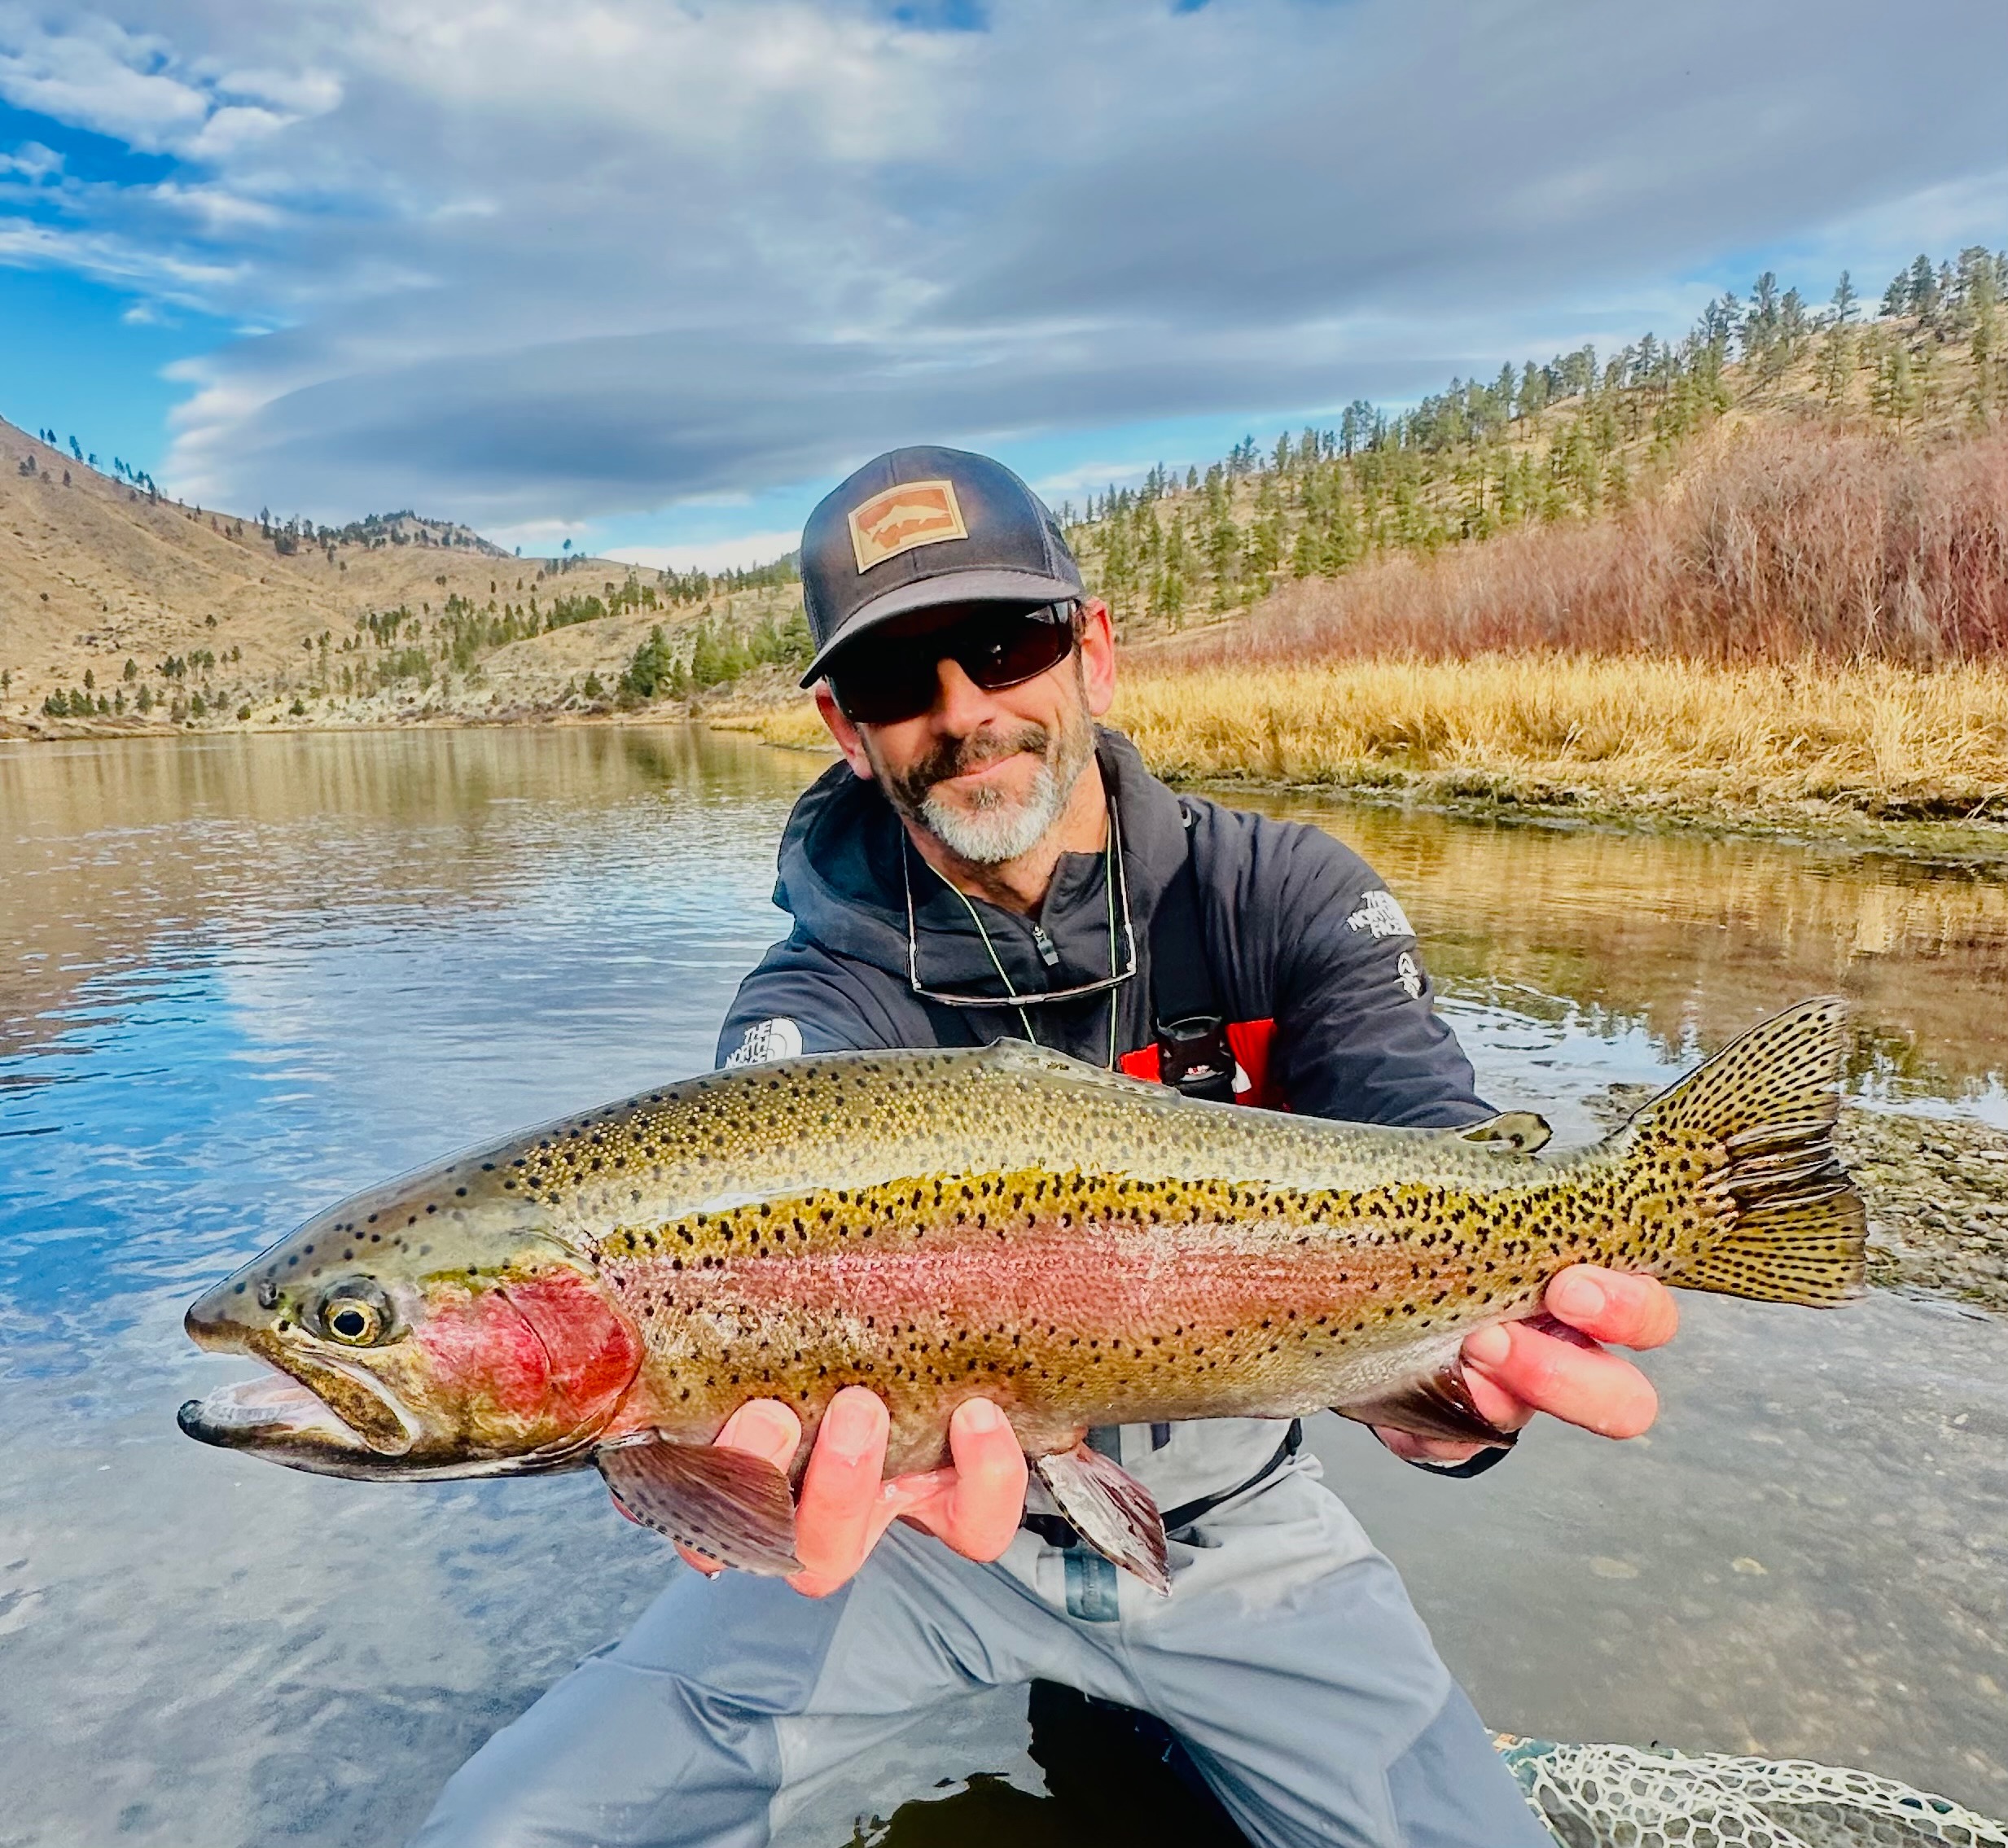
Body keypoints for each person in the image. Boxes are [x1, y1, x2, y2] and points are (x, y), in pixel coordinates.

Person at [414, 447, 1680, 1848]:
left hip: (1236, 1518)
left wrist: (1466, 1388)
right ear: (846, 727)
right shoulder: (810, 1005)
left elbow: (1427, 1143)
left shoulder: (1277, 893)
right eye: (902, 680)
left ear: (1094, 654)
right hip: (903, 1535)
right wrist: (730, 1476)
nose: (965, 711)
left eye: (1004, 644)